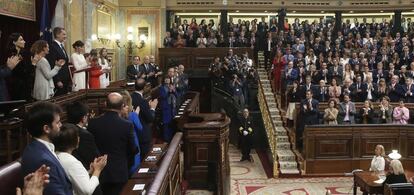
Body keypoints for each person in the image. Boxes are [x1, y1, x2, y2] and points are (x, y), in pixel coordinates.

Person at [88, 93, 138, 195]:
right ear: (122, 106)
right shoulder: (127, 125)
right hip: (119, 172)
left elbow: (91, 147)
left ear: (105, 104)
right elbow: (133, 149)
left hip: (99, 172)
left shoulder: (93, 123)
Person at [21, 102, 73, 195]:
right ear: (46, 129)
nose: (61, 125)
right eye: (57, 122)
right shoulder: (43, 161)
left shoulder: (34, 147)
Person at [54, 124, 107, 195]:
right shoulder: (71, 162)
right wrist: (97, 170)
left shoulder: (57, 155)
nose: (79, 138)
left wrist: (90, 171)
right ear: (73, 140)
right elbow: (87, 190)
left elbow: (74, 177)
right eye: (77, 136)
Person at [66, 102, 100, 172]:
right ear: (83, 118)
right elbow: (93, 157)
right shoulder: (85, 135)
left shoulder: (64, 130)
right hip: (84, 171)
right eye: (87, 115)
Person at [131, 78, 158, 159]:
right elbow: (150, 118)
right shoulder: (142, 101)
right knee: (144, 159)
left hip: (132, 133)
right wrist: (153, 108)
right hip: (142, 134)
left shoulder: (130, 98)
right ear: (145, 88)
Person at [6, 33, 35, 101]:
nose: (24, 41)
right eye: (21, 40)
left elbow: (29, 72)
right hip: (14, 87)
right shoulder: (9, 55)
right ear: (14, 42)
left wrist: (33, 64)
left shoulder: (26, 54)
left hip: (26, 86)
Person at [119, 90, 142, 175]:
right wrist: (136, 114)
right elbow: (140, 127)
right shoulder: (132, 115)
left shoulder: (119, 115)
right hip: (133, 142)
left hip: (122, 145)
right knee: (134, 167)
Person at [46, 27, 71, 96]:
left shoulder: (61, 46)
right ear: (57, 35)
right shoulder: (52, 46)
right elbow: (51, 64)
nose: (65, 36)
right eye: (63, 34)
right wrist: (57, 80)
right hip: (59, 79)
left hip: (65, 79)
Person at [159, 77, 177, 142]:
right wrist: (169, 91)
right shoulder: (161, 88)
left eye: (168, 79)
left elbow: (176, 95)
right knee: (166, 124)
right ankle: (166, 139)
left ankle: (171, 138)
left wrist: (174, 91)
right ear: (164, 80)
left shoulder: (172, 86)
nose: (167, 80)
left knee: (171, 123)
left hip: (172, 107)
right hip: (165, 107)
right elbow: (163, 96)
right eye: (166, 79)